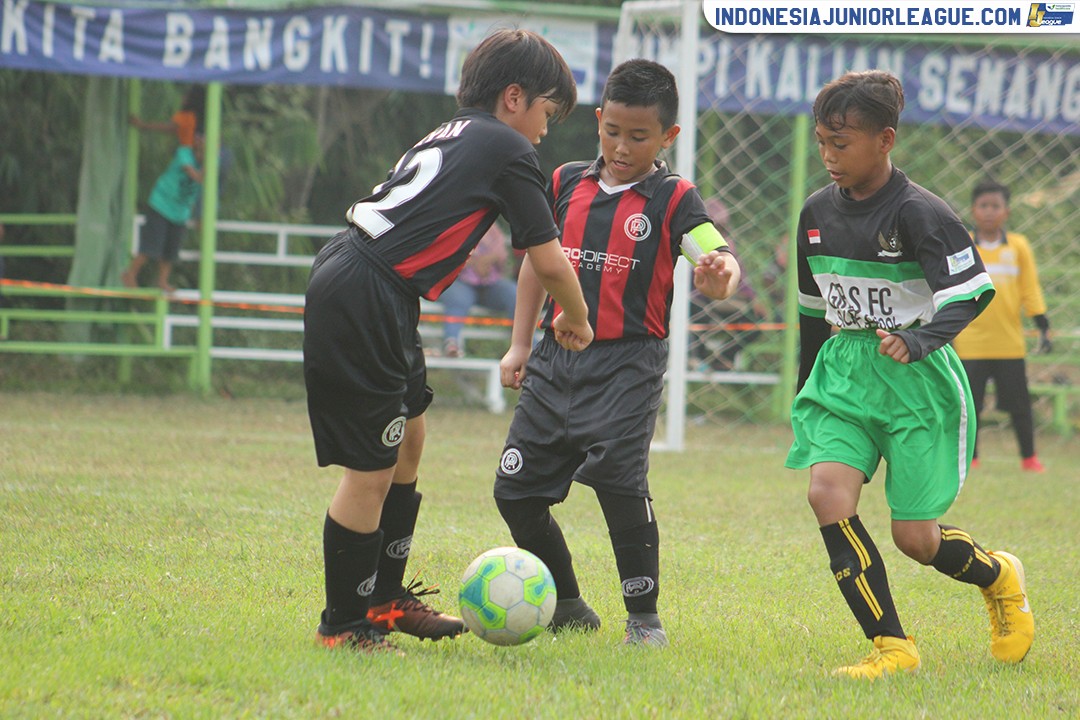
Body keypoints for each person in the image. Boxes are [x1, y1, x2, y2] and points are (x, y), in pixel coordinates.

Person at [303, 29, 593, 655]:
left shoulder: (453, 131)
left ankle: (384, 598)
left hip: (373, 284)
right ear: (514, 98)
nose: (545, 129)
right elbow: (547, 260)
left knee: (410, 439)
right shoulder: (508, 150)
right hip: (366, 291)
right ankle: (344, 625)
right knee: (372, 469)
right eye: (547, 111)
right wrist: (579, 315)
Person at [785, 70, 1034, 680]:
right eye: (822, 142)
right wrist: (804, 393)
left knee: (915, 539)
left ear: (886, 140)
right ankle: (892, 646)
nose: (828, 156)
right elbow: (812, 314)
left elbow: (971, 294)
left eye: (841, 144)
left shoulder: (923, 213)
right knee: (827, 494)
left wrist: (919, 339)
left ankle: (999, 576)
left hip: (917, 380)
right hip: (843, 375)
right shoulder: (815, 212)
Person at [493, 59, 741, 647]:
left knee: (618, 483)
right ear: (599, 120)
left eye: (640, 136)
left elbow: (716, 254)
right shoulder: (562, 182)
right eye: (613, 131)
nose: (623, 146)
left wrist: (719, 275)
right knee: (515, 492)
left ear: (667, 138)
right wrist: (520, 343)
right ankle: (569, 603)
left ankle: (644, 617)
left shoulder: (674, 197)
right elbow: (535, 264)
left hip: (628, 365)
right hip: (554, 361)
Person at [952, 180, 1051, 473]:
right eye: (983, 206)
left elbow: (1030, 288)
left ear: (1006, 212)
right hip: (970, 342)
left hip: (1009, 342)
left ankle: (1029, 458)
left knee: (1020, 406)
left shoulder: (1019, 246)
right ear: (973, 210)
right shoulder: (964, 245)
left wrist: (1042, 324)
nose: (989, 212)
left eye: (995, 206)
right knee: (969, 407)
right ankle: (971, 458)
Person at [121, 135, 204, 292]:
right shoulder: (184, 154)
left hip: (180, 212)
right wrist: (207, 163)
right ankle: (130, 274)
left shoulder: (209, 162)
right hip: (161, 205)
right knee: (151, 246)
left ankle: (162, 281)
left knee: (170, 251)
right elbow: (196, 176)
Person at [437, 223, 517, 358]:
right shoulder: (454, 223)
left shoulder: (493, 229)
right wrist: (474, 263)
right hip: (459, 281)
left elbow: (501, 256)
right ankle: (451, 343)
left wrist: (488, 261)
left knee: (515, 294)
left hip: (489, 283)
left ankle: (524, 343)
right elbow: (445, 255)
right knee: (459, 299)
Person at [130, 85, 205, 148]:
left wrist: (143, 125)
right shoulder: (203, 119)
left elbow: (167, 127)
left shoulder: (186, 116)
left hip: (189, 155)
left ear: (192, 100)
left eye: (186, 96)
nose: (182, 98)